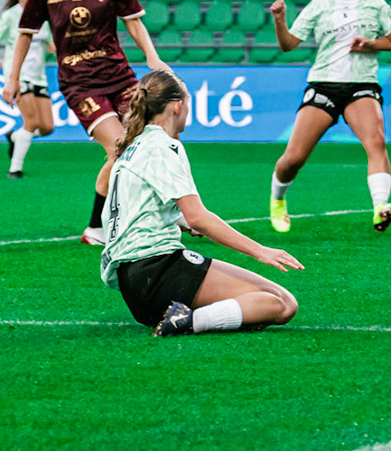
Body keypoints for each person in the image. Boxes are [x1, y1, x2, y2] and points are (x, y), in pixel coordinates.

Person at [4, 0, 169, 245]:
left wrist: (152, 57)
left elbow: (134, 22)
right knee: (121, 147)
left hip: (120, 77)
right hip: (80, 84)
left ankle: (163, 214)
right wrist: (13, 78)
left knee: (155, 142)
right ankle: (98, 227)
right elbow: (24, 35)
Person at [101, 70, 302, 337]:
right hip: (157, 270)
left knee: (274, 300)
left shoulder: (133, 147)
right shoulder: (162, 146)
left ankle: (186, 318)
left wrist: (178, 220)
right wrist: (259, 250)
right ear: (178, 106)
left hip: (134, 282)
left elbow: (130, 211)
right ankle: (187, 321)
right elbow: (198, 217)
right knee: (281, 304)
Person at [265, 0, 391, 233]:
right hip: (324, 85)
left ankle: (381, 206)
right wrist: (280, 19)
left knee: (376, 142)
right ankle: (278, 199)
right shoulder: (318, 6)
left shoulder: (375, 3)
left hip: (363, 85)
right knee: (294, 158)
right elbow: (288, 45)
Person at [0, 0, 57, 178]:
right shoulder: (10, 16)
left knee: (47, 127)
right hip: (18, 75)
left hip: (39, 76)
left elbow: (50, 44)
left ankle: (15, 136)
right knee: (32, 122)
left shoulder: (43, 17)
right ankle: (14, 169)